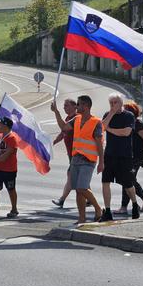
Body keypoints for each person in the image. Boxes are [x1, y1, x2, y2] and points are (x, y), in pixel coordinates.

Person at [51, 96, 104, 224]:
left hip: (88, 160)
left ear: (85, 106)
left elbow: (99, 144)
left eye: (79, 104)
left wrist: (101, 162)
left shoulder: (96, 122)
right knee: (78, 191)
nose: (77, 107)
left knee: (82, 188)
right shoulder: (77, 119)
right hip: (75, 158)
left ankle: (98, 209)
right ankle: (82, 218)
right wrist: (56, 112)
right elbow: (64, 127)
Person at [100, 92, 139, 221]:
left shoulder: (128, 116)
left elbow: (126, 132)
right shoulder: (107, 115)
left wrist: (110, 130)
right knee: (105, 182)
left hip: (124, 155)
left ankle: (134, 204)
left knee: (127, 183)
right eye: (111, 103)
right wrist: (111, 113)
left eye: (115, 102)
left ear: (121, 103)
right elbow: (102, 127)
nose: (113, 105)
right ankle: (108, 210)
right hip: (109, 154)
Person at [113, 101, 143, 215]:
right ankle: (127, 205)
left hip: (134, 158)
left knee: (128, 180)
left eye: (125, 110)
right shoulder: (127, 124)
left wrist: (139, 151)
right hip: (126, 156)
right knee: (126, 180)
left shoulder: (138, 124)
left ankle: (140, 200)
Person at [52, 98, 78, 208]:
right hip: (71, 154)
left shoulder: (76, 118)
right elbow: (63, 133)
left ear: (74, 106)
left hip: (77, 154)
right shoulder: (68, 118)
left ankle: (62, 200)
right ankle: (88, 199)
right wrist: (53, 142)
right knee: (78, 178)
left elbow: (63, 127)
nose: (64, 107)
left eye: (66, 105)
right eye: (64, 105)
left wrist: (56, 112)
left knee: (71, 176)